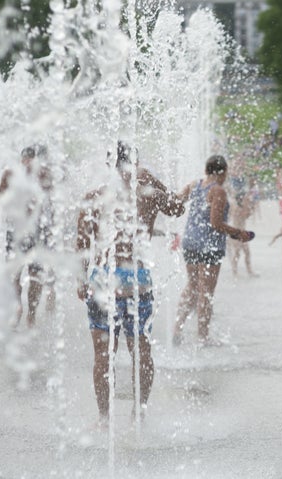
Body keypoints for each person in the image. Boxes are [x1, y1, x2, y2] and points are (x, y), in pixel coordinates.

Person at [76, 141, 186, 425]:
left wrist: (80, 281)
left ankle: (103, 418)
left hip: (102, 280)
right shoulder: (149, 194)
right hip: (136, 280)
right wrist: (153, 179)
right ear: (137, 164)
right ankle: (139, 413)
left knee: (103, 354)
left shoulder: (93, 197)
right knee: (141, 351)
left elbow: (81, 247)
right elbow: (177, 207)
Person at [173, 155, 255, 346]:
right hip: (208, 245)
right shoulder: (218, 191)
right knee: (206, 291)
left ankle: (177, 330)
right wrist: (238, 233)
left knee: (192, 286)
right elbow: (216, 223)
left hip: (191, 242)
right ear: (223, 171)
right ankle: (203, 337)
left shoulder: (194, 185)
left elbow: (176, 202)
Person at [0, 145, 56, 328]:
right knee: (15, 275)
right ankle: (18, 307)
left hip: (38, 232)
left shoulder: (43, 174)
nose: (28, 165)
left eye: (31, 162)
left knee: (35, 275)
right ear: (21, 160)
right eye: (25, 161)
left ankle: (31, 313)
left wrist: (51, 229)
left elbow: (51, 204)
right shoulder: (10, 174)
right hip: (15, 232)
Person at [229, 188, 259, 278]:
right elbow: (246, 215)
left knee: (246, 253)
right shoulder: (238, 208)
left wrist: (250, 206)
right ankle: (235, 272)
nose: (247, 199)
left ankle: (248, 271)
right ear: (241, 199)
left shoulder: (239, 207)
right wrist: (251, 207)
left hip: (241, 233)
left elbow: (246, 215)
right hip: (237, 234)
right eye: (245, 198)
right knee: (238, 253)